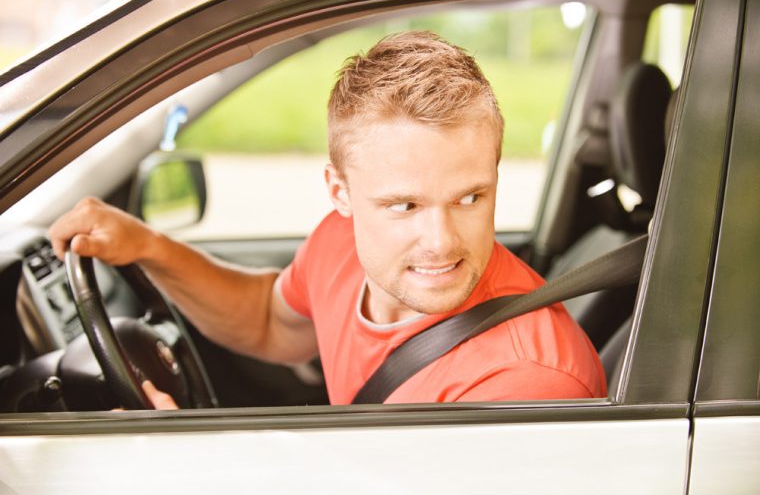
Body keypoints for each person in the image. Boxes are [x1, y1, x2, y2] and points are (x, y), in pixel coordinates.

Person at [50, 31, 606, 409]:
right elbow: (270, 323)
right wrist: (148, 246)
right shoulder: (339, 242)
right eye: (404, 205)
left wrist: (188, 469)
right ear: (340, 192)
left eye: (469, 198)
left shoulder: (527, 382)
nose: (441, 242)